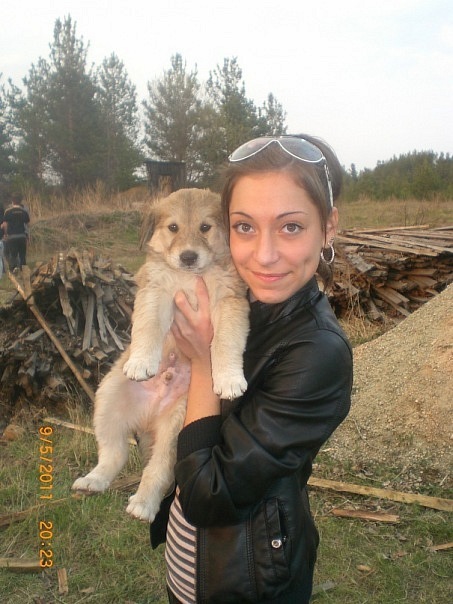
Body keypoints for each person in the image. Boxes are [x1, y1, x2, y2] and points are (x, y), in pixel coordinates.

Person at [151, 135, 353, 603]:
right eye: (244, 227)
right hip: (192, 570)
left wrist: (203, 361)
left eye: (290, 227)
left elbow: (207, 494)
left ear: (328, 228)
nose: (263, 255)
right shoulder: (245, 302)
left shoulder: (317, 353)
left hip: (249, 581)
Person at [2, 193, 30, 271]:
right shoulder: (24, 211)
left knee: (13, 256)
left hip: (12, 237)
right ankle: (24, 271)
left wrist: (5, 234)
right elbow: (27, 225)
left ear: (12, 201)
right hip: (22, 236)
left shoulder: (8, 211)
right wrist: (27, 236)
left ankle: (14, 271)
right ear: (20, 201)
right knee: (22, 256)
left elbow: (5, 224)